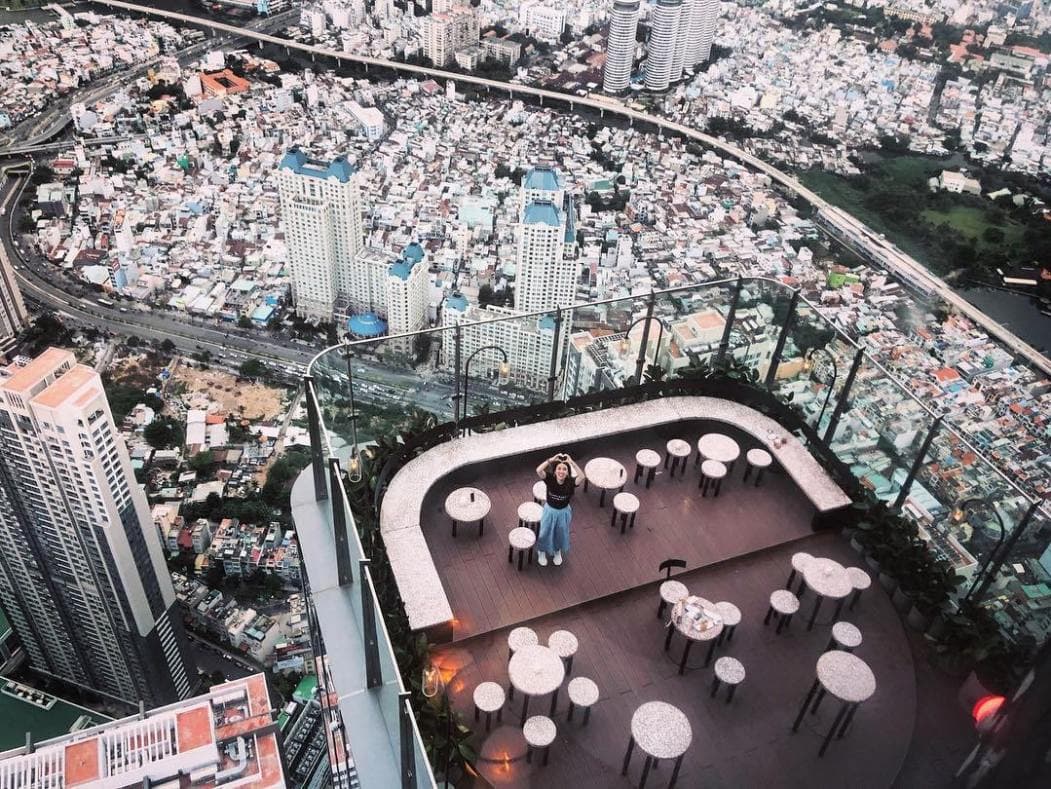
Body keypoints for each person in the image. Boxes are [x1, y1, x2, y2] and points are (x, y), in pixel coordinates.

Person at [535, 452, 583, 566]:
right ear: (555, 471)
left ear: (567, 472)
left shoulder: (570, 482)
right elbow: (538, 470)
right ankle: (541, 551)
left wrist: (571, 462)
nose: (561, 471)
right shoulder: (550, 479)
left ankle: (557, 551)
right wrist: (551, 460)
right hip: (549, 511)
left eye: (564, 469)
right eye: (559, 469)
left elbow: (582, 476)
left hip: (563, 512)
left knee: (560, 533)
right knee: (544, 532)